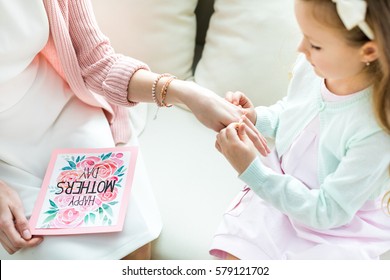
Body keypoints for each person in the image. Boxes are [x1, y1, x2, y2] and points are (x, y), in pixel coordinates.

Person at [0, 0, 270, 260]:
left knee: (131, 243)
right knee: (55, 254)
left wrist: (187, 93)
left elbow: (96, 61)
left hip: (63, 111)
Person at [210, 0, 390, 260]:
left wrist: (252, 171)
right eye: (303, 36)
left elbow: (328, 210)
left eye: (315, 44)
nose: (300, 48)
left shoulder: (376, 130)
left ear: (369, 51)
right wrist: (255, 117)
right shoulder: (313, 66)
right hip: (283, 193)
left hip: (337, 227)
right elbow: (293, 112)